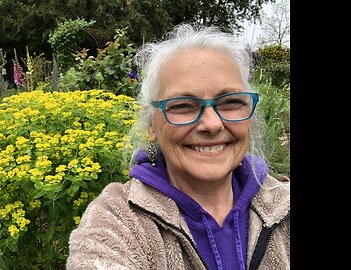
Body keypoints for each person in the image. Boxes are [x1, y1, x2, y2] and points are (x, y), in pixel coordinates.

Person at [66, 24, 290, 270]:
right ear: (152, 124)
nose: (212, 124)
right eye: (183, 106)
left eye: (231, 102)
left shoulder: (283, 208)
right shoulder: (116, 220)